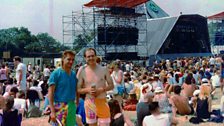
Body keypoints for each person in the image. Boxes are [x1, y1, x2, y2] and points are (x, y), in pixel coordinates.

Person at [77, 48, 114, 126]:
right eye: (88, 56)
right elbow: (78, 89)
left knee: (105, 123)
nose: (91, 58)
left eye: (92, 56)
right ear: (85, 58)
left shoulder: (104, 70)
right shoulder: (83, 71)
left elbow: (111, 85)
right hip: (90, 102)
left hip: (102, 100)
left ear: (96, 56)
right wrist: (88, 90)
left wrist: (102, 89)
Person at [48, 50, 77, 126]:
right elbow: (50, 93)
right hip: (59, 106)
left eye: (73, 60)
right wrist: (52, 111)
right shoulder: (56, 74)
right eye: (69, 59)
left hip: (71, 106)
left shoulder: (73, 74)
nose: (71, 61)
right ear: (63, 59)